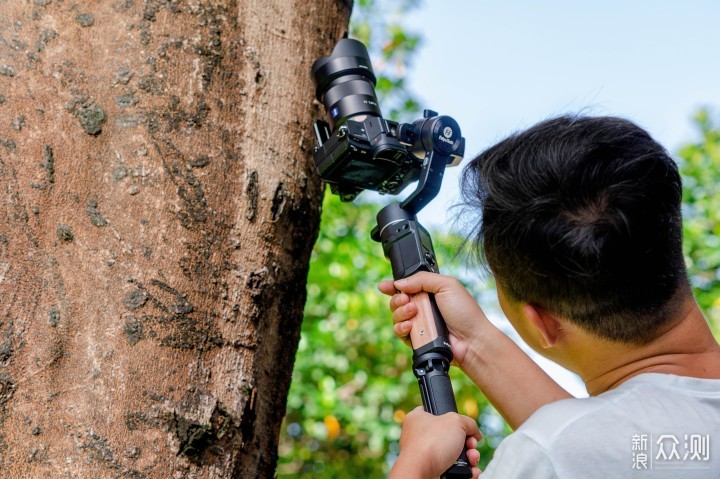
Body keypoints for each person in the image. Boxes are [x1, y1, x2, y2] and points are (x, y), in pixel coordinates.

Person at [380, 115, 720, 478]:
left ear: (543, 322)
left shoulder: (549, 454)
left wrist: (418, 460)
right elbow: (616, 451)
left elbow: (577, 452)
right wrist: (473, 341)